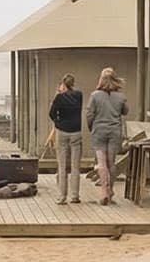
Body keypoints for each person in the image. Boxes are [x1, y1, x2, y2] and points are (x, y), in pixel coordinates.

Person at [85, 67, 128, 205]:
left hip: (99, 130)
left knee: (101, 163)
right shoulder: (121, 97)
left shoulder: (95, 95)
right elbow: (125, 111)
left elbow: (89, 114)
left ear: (101, 79)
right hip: (115, 131)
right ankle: (111, 192)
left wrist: (92, 127)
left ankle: (104, 190)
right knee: (111, 164)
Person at [47, 72, 83, 204]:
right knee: (75, 166)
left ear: (63, 84)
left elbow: (51, 113)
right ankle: (75, 196)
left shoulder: (59, 98)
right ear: (73, 83)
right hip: (76, 132)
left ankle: (62, 196)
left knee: (62, 166)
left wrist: (58, 122)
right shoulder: (79, 95)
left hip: (62, 132)